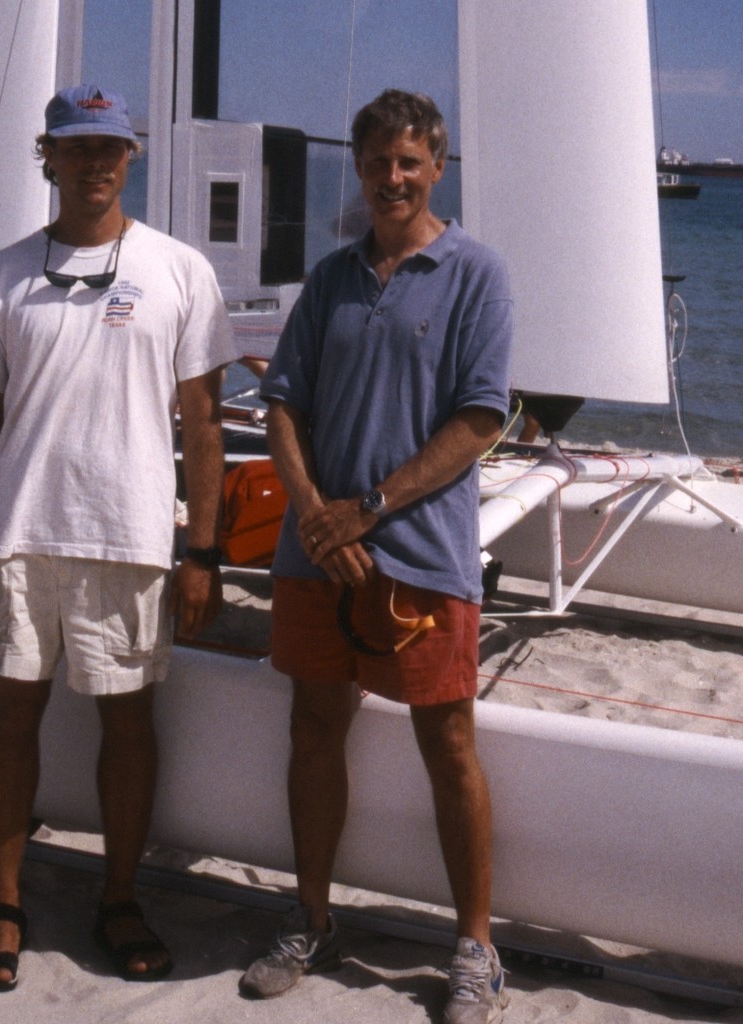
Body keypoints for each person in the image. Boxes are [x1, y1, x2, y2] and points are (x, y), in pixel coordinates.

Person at [0, 84, 236, 993]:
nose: (95, 164)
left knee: (128, 723)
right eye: (76, 148)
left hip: (133, 535)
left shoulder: (181, 269)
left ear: (131, 158)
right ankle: (2, 902)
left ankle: (118, 898)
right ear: (48, 157)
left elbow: (205, 425)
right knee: (12, 716)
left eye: (110, 148)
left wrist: (202, 555)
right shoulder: (0, 274)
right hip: (21, 532)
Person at [240, 90, 513, 1024]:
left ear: (437, 165)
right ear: (356, 170)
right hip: (316, 556)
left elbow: (479, 418)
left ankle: (474, 947)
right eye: (375, 163)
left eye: (408, 162)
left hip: (423, 557)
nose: (391, 179)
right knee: (313, 729)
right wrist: (315, 513)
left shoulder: (475, 273)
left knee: (449, 743)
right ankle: (308, 918)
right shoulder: (331, 280)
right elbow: (280, 404)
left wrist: (366, 512)